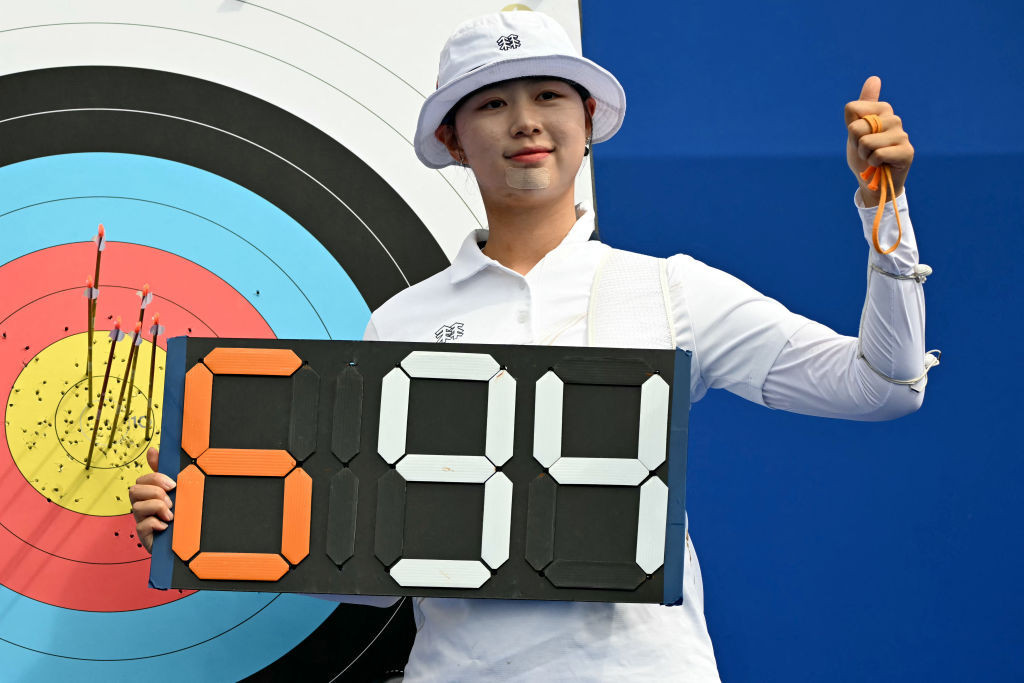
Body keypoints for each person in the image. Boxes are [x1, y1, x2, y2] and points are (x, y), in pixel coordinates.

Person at [129, 10, 933, 681]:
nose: (525, 121)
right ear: (451, 139)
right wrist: (207, 515)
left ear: (587, 124)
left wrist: (885, 221)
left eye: (550, 95)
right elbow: (374, 576)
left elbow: (883, 384)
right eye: (491, 104)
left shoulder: (669, 289)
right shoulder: (400, 323)